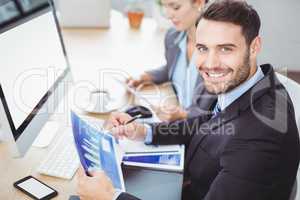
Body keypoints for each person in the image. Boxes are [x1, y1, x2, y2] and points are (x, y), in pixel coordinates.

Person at [76, 1, 300, 200]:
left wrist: (110, 197)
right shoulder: (240, 84)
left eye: (225, 49)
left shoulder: (261, 136)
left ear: (254, 47)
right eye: (202, 48)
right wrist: (144, 131)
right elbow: (203, 123)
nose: (210, 63)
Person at [126, 0, 216, 122]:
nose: (168, 15)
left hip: (205, 130)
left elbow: (216, 109)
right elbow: (175, 68)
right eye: (165, 7)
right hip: (178, 126)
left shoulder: (218, 50)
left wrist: (184, 115)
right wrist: (146, 77)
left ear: (199, 3)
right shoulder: (173, 36)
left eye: (175, 7)